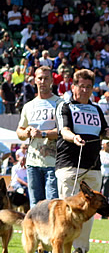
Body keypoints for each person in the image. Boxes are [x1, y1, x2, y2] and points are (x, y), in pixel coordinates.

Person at [55, 68, 109, 253]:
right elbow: (63, 130)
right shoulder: (65, 106)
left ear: (92, 89)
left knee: (90, 211)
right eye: (81, 86)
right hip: (69, 165)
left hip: (93, 166)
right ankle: (60, 245)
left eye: (88, 87)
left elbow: (105, 131)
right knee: (66, 210)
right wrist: (74, 138)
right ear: (73, 86)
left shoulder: (97, 109)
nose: (84, 90)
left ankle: (79, 250)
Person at [15, 66, 62, 209]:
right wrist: (27, 132)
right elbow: (19, 131)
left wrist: (43, 133)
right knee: (35, 207)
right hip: (32, 163)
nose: (43, 81)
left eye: (46, 78)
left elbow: (64, 131)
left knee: (52, 206)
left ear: (52, 81)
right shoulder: (29, 106)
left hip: (53, 163)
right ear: (35, 80)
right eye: (40, 78)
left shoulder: (60, 104)